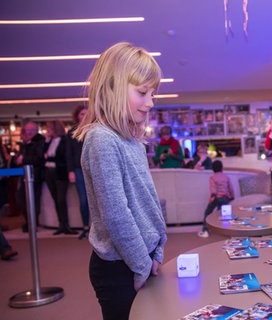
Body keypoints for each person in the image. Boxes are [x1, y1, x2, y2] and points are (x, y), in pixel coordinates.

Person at [73, 42, 167, 320]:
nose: (150, 102)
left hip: (141, 257)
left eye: (153, 94)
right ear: (113, 87)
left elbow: (147, 201)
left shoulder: (133, 142)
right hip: (119, 267)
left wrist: (158, 248)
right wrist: (140, 265)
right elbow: (116, 214)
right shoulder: (101, 139)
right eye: (142, 92)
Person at [44, 120, 76, 235]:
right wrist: (47, 141)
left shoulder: (64, 140)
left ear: (55, 128)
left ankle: (66, 225)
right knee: (55, 199)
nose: (47, 130)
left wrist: (70, 171)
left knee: (61, 199)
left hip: (60, 172)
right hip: (49, 171)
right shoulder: (49, 141)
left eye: (49, 128)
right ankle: (60, 225)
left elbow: (67, 156)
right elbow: (43, 155)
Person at [15, 120, 45, 233]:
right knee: (21, 198)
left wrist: (23, 159)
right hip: (25, 175)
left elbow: (38, 158)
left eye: (32, 130)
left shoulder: (40, 142)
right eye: (27, 130)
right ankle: (29, 222)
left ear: (36, 131)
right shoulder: (26, 142)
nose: (29, 132)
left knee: (32, 200)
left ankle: (32, 223)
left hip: (35, 175)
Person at [67, 105, 90, 239]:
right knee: (83, 200)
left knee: (99, 200)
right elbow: (68, 154)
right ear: (77, 116)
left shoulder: (95, 130)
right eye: (82, 114)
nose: (85, 116)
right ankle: (85, 227)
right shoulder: (72, 133)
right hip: (78, 170)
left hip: (93, 169)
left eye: (87, 113)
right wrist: (70, 171)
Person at [197, 160, 234, 238]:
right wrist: (232, 196)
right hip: (225, 198)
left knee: (208, 212)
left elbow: (213, 190)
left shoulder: (212, 177)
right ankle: (228, 232)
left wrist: (212, 197)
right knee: (225, 215)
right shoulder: (226, 177)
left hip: (216, 198)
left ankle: (205, 231)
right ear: (221, 168)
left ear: (213, 169)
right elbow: (231, 188)